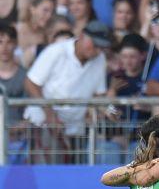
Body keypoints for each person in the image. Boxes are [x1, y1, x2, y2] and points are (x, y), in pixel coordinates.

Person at [24, 20, 112, 161]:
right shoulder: (56, 51)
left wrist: (110, 110)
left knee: (70, 177)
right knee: (45, 173)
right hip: (44, 124)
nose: (98, 50)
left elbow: (99, 95)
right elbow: (31, 82)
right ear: (82, 36)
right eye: (95, 44)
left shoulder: (100, 59)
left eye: (101, 47)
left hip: (75, 129)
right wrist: (49, 112)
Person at [15, 0, 54, 68]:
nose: (49, 16)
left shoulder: (47, 37)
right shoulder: (16, 30)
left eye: (52, 12)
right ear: (32, 9)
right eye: (45, 10)